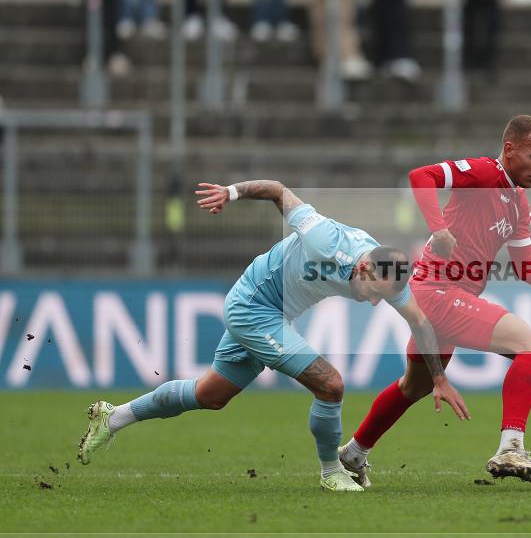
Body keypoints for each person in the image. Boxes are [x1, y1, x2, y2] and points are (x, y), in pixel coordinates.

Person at [77, 180, 468, 492]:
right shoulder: (324, 240)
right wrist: (230, 193)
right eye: (372, 294)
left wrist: (437, 376)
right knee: (330, 385)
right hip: (252, 305)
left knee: (210, 395)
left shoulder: (390, 275)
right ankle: (332, 472)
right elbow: (279, 190)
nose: (372, 303)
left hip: (276, 315)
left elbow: (419, 322)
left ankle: (112, 418)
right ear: (365, 268)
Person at [338, 115, 531, 487]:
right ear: (510, 150)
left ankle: (353, 452)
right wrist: (438, 228)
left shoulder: (519, 205)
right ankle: (511, 447)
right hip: (438, 291)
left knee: (412, 387)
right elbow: (421, 176)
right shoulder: (482, 173)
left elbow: (526, 268)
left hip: (444, 298)